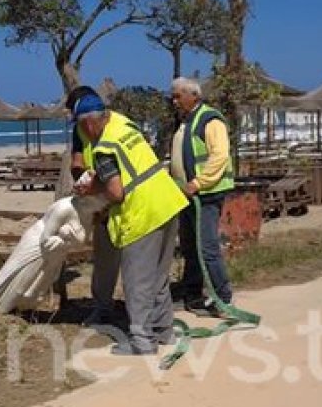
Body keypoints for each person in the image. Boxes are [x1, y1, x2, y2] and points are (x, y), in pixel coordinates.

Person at [73, 92, 188, 355]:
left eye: (80, 127)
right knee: (159, 276)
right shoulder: (124, 125)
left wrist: (92, 190)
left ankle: (142, 339)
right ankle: (163, 331)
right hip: (168, 201)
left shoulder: (103, 147)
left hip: (142, 212)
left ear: (88, 124)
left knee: (138, 279)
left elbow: (116, 192)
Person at [170, 77, 235, 316]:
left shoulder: (210, 120)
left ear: (193, 95)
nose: (174, 101)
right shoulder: (185, 121)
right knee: (190, 247)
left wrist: (197, 183)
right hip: (186, 195)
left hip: (206, 194)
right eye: (174, 96)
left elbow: (219, 157)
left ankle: (223, 298)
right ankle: (193, 294)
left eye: (178, 96)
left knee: (207, 247)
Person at [66, 85, 120, 326]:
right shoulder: (81, 130)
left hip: (120, 195)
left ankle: (140, 314)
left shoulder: (115, 128)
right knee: (104, 258)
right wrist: (85, 182)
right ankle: (103, 307)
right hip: (99, 195)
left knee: (133, 261)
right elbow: (77, 161)